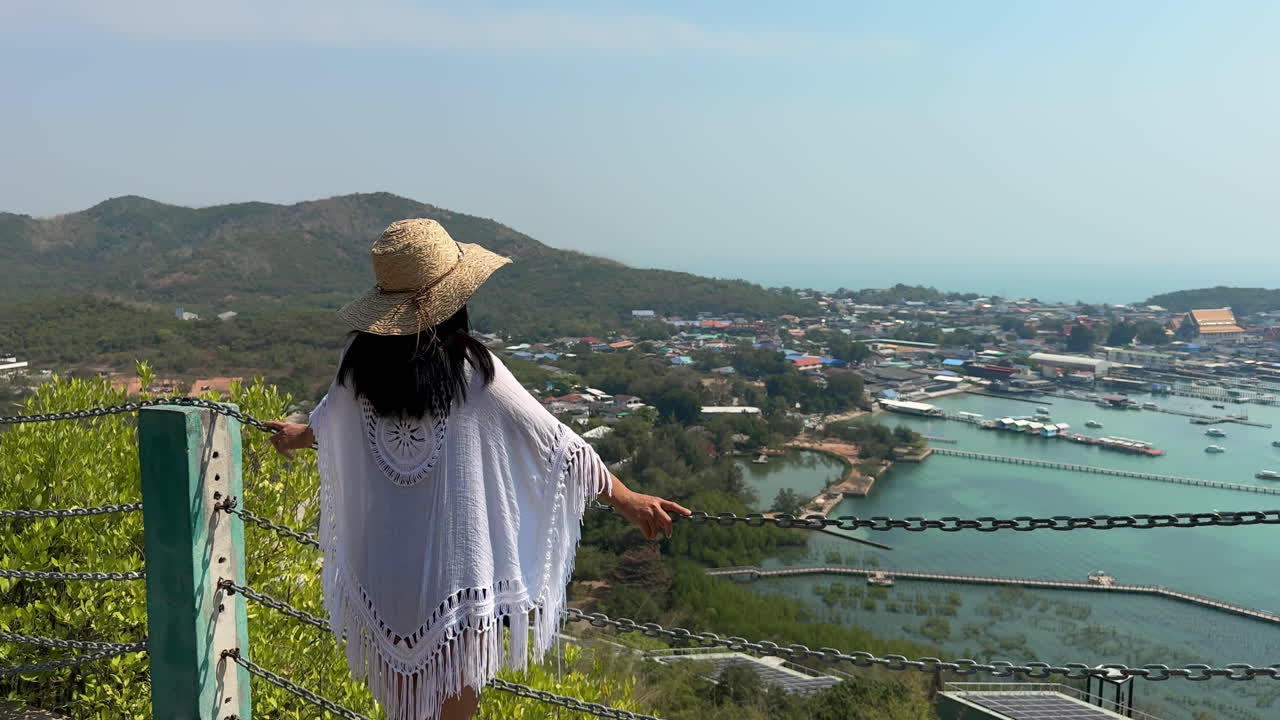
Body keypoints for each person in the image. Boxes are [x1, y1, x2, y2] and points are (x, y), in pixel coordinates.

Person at [265, 218, 689, 720]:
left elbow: (327, 420)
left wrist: (297, 436)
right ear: (454, 301)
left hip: (383, 571)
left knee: (402, 708)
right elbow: (558, 446)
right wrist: (627, 499)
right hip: (451, 577)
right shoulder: (473, 369)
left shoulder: (358, 363)